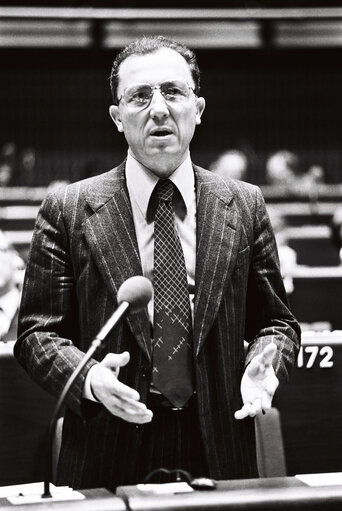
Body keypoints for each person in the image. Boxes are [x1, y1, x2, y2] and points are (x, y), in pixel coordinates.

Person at [15, 36, 300, 491]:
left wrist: (263, 364)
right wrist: (87, 376)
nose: (159, 108)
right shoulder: (67, 208)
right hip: (107, 444)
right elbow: (36, 333)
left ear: (198, 107)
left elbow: (277, 324)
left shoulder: (244, 205)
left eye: (173, 91)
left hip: (220, 443)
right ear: (117, 116)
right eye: (140, 96)